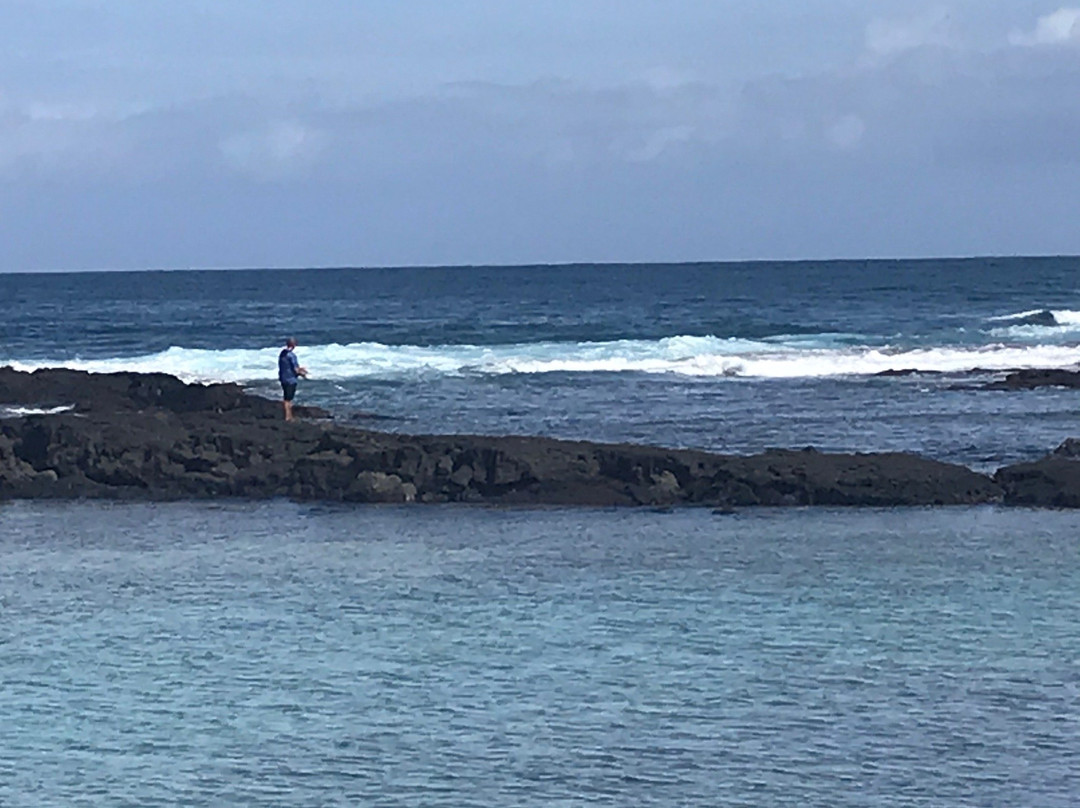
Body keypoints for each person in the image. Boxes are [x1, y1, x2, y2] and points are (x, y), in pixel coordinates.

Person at [278, 337, 308, 421]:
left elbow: (287, 366)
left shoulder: (282, 354)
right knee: (288, 399)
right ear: (294, 345)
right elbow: (295, 370)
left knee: (286, 397)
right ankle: (288, 416)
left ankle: (288, 416)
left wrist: (300, 369)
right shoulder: (292, 356)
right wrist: (303, 374)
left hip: (283, 378)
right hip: (290, 379)